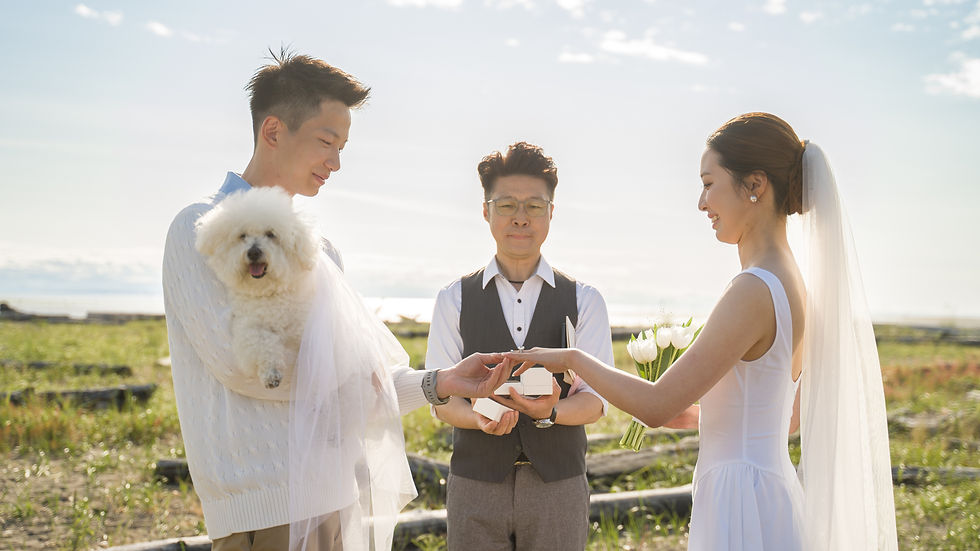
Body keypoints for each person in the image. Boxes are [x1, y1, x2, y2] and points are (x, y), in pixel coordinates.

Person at [162, 50, 512, 551]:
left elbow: (357, 379)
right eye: (327, 142)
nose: (336, 163)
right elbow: (246, 367)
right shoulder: (201, 228)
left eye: (343, 147)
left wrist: (440, 383)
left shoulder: (321, 250)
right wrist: (351, 379)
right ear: (274, 131)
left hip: (334, 499)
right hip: (264, 508)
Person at [506, 113, 898, 550]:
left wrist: (571, 358)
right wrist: (699, 416)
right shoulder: (795, 283)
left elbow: (655, 406)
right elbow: (783, 417)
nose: (701, 202)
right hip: (766, 492)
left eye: (709, 183)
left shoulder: (753, 289)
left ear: (754, 185)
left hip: (741, 502)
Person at [425, 141, 614, 550]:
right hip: (475, 483)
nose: (521, 219)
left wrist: (551, 411)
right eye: (507, 205)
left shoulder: (586, 300)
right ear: (486, 211)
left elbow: (597, 402)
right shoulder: (452, 299)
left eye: (535, 206)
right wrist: (479, 420)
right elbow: (441, 400)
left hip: (558, 485)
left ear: (551, 212)